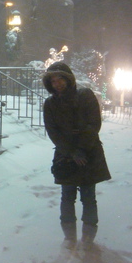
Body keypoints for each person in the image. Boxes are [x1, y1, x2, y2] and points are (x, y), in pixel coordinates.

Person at [42, 62, 111, 248]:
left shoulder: (85, 95)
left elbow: (94, 124)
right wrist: (72, 152)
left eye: (60, 79)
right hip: (66, 157)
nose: (57, 84)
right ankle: (69, 237)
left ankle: (88, 237)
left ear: (68, 78)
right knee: (67, 196)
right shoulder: (49, 104)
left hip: (89, 154)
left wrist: (81, 148)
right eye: (53, 81)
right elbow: (53, 132)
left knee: (88, 197)